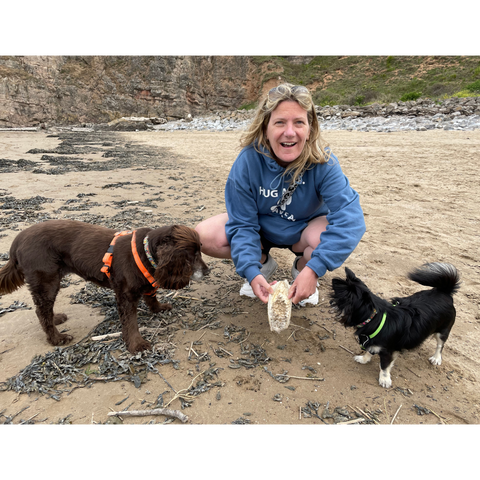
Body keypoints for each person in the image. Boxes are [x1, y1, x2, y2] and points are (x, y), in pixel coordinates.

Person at [195, 83, 366, 305]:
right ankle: (262, 264)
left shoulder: (324, 162)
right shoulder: (247, 162)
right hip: (260, 232)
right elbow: (243, 224)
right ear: (265, 127)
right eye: (279, 122)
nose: (289, 132)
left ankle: (302, 271)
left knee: (321, 237)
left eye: (298, 123)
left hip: (303, 233)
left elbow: (350, 219)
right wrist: (250, 270)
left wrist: (315, 269)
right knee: (204, 235)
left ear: (310, 128)